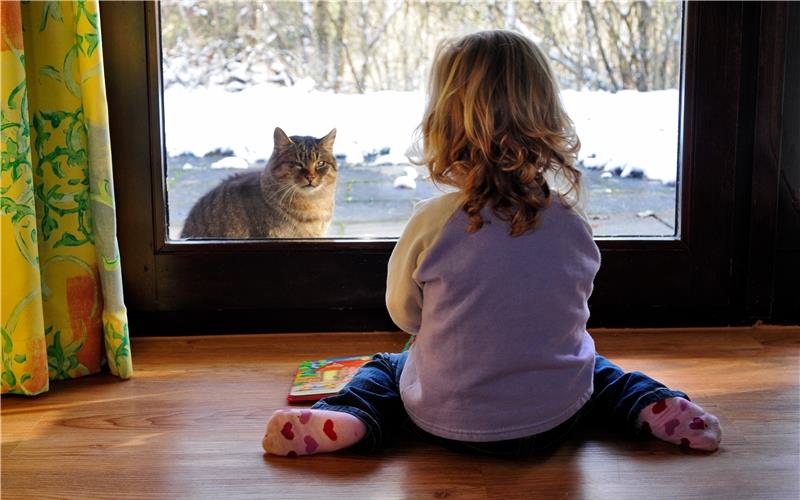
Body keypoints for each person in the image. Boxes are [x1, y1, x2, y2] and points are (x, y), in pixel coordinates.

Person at [262, 30, 722, 458]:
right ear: (547, 121)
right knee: (596, 368)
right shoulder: (570, 222)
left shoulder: (432, 221)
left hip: (444, 421)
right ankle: (652, 404)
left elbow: (404, 314)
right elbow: (572, 304)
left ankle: (351, 416)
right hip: (555, 420)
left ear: (442, 128)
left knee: (386, 367)